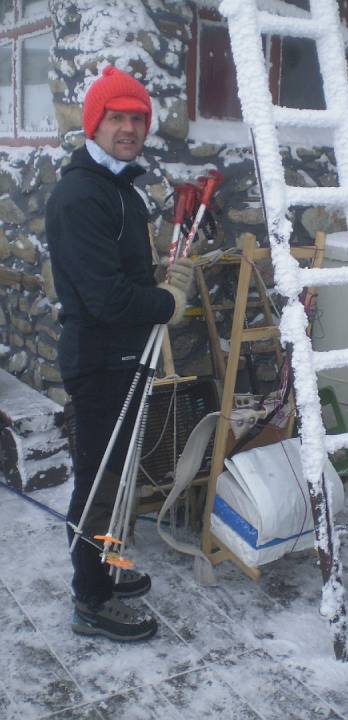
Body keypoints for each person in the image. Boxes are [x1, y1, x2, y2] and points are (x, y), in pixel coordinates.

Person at [46, 65, 193, 641]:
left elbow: (121, 277)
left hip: (125, 357)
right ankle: (90, 599)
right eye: (116, 117)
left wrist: (160, 279)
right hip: (100, 361)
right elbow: (104, 298)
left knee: (118, 476)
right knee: (99, 482)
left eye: (137, 118)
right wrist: (166, 303)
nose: (129, 128)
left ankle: (104, 566)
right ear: (95, 122)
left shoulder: (121, 189)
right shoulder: (81, 195)